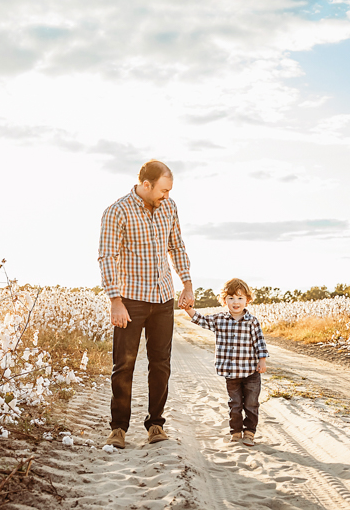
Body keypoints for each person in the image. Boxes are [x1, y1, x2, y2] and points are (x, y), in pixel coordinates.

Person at [98, 160, 194, 448]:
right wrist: (115, 301)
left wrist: (187, 284)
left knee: (161, 364)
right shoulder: (117, 211)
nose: (166, 195)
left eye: (169, 190)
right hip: (130, 300)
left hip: (163, 297)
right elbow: (107, 257)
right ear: (146, 184)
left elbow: (176, 246)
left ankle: (155, 425)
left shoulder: (170, 207)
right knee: (124, 365)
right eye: (163, 190)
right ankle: (118, 429)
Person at [182, 278, 268, 446]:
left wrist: (262, 361)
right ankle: (235, 432)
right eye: (231, 298)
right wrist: (188, 309)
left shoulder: (252, 321)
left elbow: (260, 342)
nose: (235, 302)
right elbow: (202, 321)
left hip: (251, 372)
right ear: (224, 300)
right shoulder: (220, 319)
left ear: (247, 300)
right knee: (235, 404)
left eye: (240, 298)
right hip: (231, 372)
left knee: (251, 403)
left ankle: (249, 432)